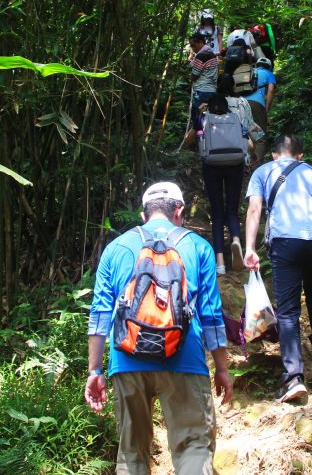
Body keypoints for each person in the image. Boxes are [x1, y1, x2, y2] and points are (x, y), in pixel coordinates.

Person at [86, 182, 234, 474]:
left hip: (126, 360)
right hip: (185, 359)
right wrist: (222, 369)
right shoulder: (198, 247)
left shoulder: (115, 248)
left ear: (143, 215)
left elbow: (100, 313)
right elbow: (211, 315)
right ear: (179, 211)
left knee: (131, 454)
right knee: (193, 445)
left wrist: (95, 370)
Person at [242, 134, 312, 403]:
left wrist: (249, 248)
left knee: (287, 310)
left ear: (274, 154)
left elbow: (254, 211)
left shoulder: (262, 172)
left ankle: (294, 377)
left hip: (285, 240)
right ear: (300, 155)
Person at [199, 90, 252, 275]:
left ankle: (220, 262)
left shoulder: (203, 119)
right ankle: (236, 240)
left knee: (217, 212)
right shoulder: (236, 118)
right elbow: (250, 145)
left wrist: (200, 114)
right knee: (232, 209)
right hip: (235, 164)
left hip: (211, 165)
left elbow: (194, 138)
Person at [188, 30, 218, 132]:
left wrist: (191, 77)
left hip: (202, 92)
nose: (193, 48)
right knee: (207, 119)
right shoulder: (211, 54)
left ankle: (198, 144)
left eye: (194, 45)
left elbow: (195, 74)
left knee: (198, 120)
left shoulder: (202, 55)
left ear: (201, 42)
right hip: (211, 91)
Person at [245, 56, 277, 146]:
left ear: (256, 65)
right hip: (257, 104)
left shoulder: (249, 72)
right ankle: (258, 158)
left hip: (241, 103)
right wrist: (266, 110)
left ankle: (245, 156)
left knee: (244, 130)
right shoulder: (269, 74)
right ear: (269, 67)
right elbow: (271, 90)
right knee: (260, 133)